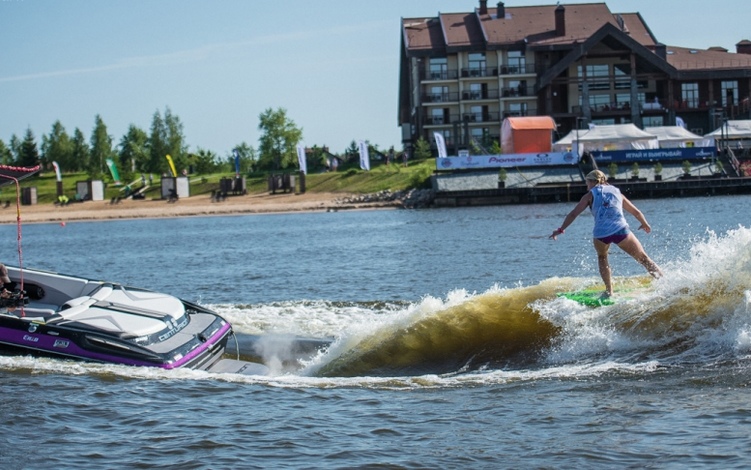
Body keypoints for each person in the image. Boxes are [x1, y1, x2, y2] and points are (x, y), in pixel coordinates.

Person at [550, 169, 662, 297]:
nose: (587, 186)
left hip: (601, 234)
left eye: (587, 183)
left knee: (602, 257)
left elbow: (574, 213)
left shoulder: (589, 195)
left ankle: (609, 291)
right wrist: (644, 223)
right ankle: (663, 281)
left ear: (593, 181)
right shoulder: (617, 192)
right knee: (643, 258)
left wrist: (561, 229)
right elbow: (636, 212)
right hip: (621, 230)